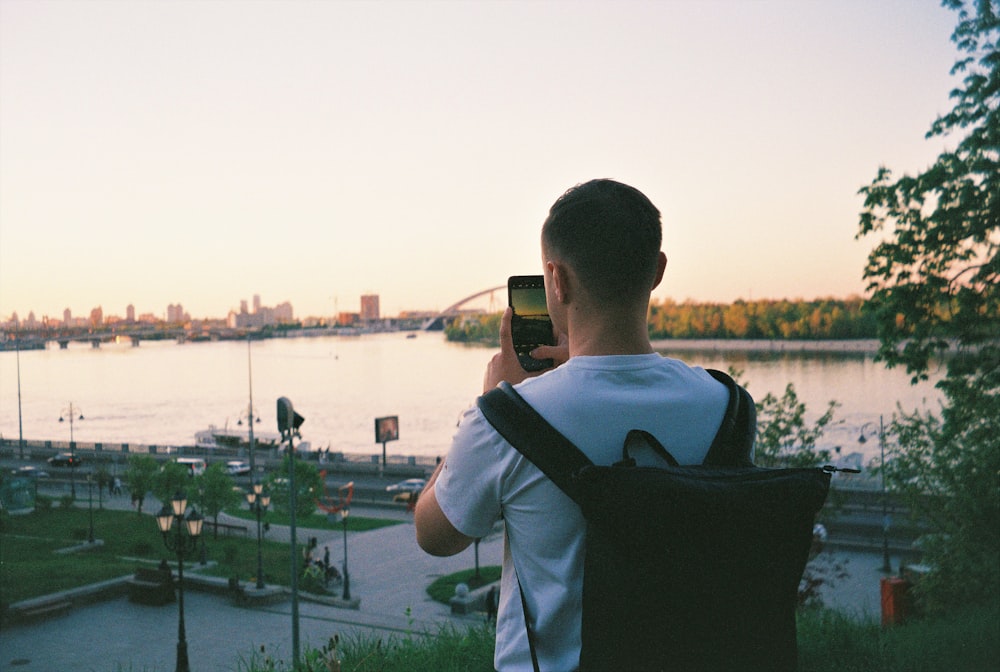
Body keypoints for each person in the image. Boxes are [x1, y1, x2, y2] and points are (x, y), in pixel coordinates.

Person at [415, 179, 731, 671]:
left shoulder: (507, 418)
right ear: (658, 271)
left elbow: (435, 534)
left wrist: (491, 401)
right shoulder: (726, 405)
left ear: (556, 281)